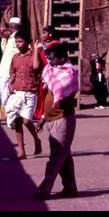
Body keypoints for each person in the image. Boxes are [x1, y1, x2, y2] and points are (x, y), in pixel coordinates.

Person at [35, 42, 79, 199]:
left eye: (52, 59)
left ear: (62, 58)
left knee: (56, 157)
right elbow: (47, 95)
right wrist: (42, 118)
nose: (49, 62)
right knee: (64, 156)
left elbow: (60, 91)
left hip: (63, 121)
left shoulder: (70, 73)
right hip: (51, 120)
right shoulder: (50, 71)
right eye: (48, 58)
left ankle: (44, 188)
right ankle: (70, 188)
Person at [4, 30, 43, 160]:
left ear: (27, 42)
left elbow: (36, 67)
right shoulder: (15, 57)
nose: (18, 44)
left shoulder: (33, 56)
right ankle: (21, 151)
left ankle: (36, 139)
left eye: (20, 41)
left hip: (30, 92)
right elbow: (12, 73)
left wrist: (36, 51)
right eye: (16, 42)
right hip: (17, 92)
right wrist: (10, 83)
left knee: (27, 120)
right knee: (17, 121)